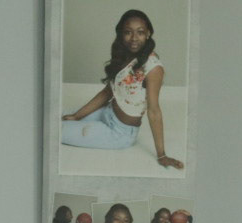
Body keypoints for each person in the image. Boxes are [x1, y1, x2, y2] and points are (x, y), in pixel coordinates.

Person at [61, 9, 184, 170]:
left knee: (55, 131)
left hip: (119, 133)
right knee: (58, 115)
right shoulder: (124, 55)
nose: (134, 38)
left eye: (140, 32)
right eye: (128, 32)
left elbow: (154, 111)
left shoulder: (153, 68)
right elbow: (108, 92)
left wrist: (162, 155)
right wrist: (77, 116)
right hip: (107, 113)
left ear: (148, 33)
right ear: (121, 34)